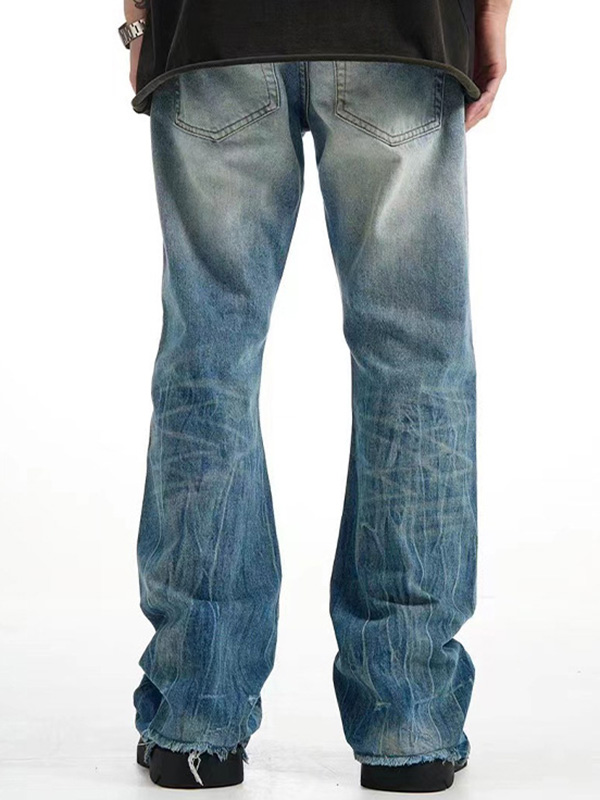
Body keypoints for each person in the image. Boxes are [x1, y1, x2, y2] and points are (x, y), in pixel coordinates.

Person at [120, 0, 511, 792]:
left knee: (209, 362)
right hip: (403, 34)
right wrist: (490, 18)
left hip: (213, 33)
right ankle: (411, 722)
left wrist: (140, 22)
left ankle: (196, 721)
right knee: (415, 366)